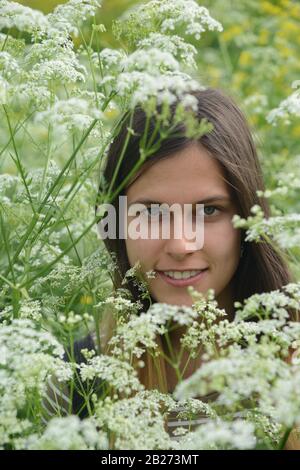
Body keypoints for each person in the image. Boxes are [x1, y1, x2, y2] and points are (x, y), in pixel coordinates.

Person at [44, 87, 300, 449]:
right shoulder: (76, 383)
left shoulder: (291, 376)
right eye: (151, 212)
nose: (181, 245)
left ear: (248, 220)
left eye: (209, 210)